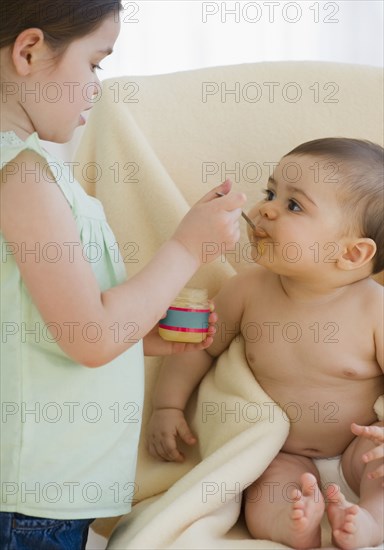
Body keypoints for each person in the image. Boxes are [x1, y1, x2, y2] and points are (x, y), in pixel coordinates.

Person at [0, 1, 246, 548]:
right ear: (29, 50)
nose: (96, 87)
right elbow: (91, 338)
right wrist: (187, 246)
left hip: (37, 490)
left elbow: (38, 330)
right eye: (94, 63)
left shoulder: (29, 175)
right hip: (32, 496)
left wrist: (140, 338)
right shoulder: (24, 179)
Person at [147, 137, 384, 550]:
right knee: (265, 494)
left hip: (356, 450)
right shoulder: (248, 291)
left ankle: (367, 522)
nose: (264, 210)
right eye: (271, 193)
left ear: (352, 253)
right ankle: (293, 526)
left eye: (294, 206)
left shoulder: (374, 311)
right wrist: (167, 406)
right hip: (281, 453)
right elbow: (198, 347)